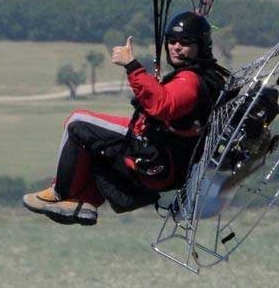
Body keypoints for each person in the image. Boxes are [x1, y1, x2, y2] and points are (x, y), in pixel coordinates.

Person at [23, 11, 230, 226]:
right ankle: (85, 201)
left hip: (154, 154)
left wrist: (131, 65)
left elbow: (162, 105)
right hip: (164, 161)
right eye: (172, 41)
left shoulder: (189, 80)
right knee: (97, 141)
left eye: (185, 42)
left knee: (77, 122)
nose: (176, 46)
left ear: (201, 45)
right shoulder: (208, 75)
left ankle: (60, 193)